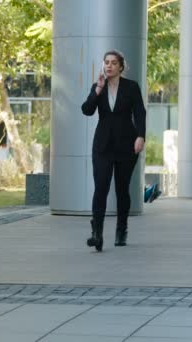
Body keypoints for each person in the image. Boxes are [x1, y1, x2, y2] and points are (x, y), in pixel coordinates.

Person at [81, 50, 146, 252]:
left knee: (121, 189)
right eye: (106, 62)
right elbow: (87, 110)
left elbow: (140, 113)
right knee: (101, 187)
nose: (109, 66)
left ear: (120, 67)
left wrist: (141, 136)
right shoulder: (98, 87)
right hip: (103, 146)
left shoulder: (132, 87)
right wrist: (97, 90)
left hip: (127, 145)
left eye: (113, 63)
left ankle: (121, 229)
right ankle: (97, 233)